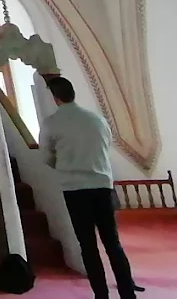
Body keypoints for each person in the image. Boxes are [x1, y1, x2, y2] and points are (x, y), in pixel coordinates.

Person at [40, 76, 144, 299]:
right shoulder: (97, 119)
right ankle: (127, 292)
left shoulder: (52, 123)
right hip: (102, 185)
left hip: (75, 189)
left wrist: (67, 166)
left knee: (87, 244)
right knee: (113, 242)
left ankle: (101, 295)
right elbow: (105, 146)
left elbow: (46, 157)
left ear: (55, 98)